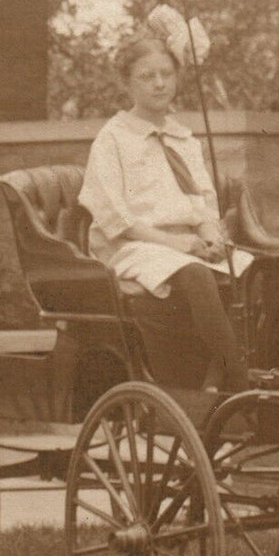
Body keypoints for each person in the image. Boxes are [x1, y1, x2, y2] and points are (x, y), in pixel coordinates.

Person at [77, 30, 253, 392]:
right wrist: (178, 245)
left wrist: (208, 236)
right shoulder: (114, 138)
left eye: (166, 75)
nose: (159, 84)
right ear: (127, 83)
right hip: (135, 246)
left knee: (249, 268)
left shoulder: (183, 139)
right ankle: (240, 383)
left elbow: (203, 202)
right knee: (195, 275)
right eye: (147, 76)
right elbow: (116, 220)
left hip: (185, 245)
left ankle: (218, 375)